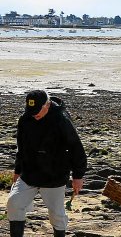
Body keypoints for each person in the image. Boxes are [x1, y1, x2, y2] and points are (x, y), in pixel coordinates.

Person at [7, 90, 87, 237]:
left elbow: (76, 147)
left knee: (57, 214)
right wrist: (17, 171)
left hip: (54, 175)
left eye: (37, 111)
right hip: (29, 173)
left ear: (47, 105)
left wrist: (78, 176)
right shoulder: (25, 119)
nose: (34, 114)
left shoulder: (61, 120)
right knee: (14, 203)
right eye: (31, 111)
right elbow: (21, 148)